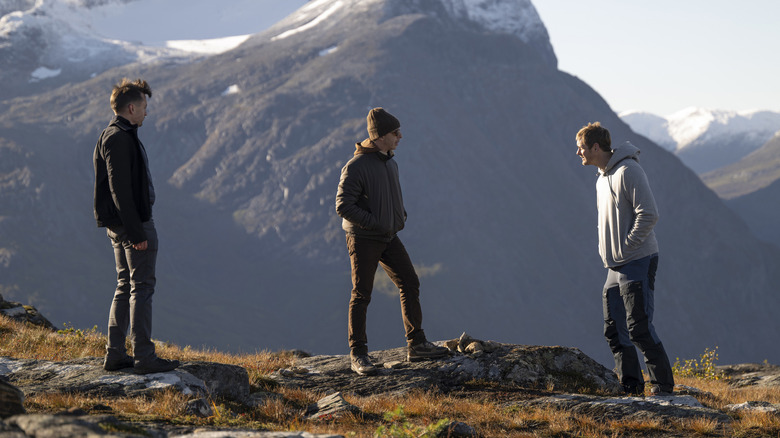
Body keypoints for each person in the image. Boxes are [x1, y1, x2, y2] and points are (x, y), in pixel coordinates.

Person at [335, 107, 449, 375]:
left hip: (388, 236)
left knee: (409, 282)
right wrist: (375, 223)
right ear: (378, 136)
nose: (400, 136)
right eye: (394, 132)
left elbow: (391, 199)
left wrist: (399, 217)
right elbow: (343, 205)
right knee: (361, 294)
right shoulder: (356, 166)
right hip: (363, 238)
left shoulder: (390, 162)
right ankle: (358, 355)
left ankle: (417, 345)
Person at [575, 122, 675, 396]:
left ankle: (663, 387)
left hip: (638, 260)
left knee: (639, 327)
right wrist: (610, 253)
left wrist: (626, 247)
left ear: (596, 147)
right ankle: (630, 387)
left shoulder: (629, 170)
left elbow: (649, 214)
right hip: (615, 266)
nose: (578, 153)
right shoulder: (600, 178)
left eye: (581, 147)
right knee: (614, 330)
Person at [93, 78, 179, 375]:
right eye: (144, 107)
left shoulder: (117, 134)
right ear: (131, 107)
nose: (146, 113)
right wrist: (136, 232)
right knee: (141, 287)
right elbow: (120, 190)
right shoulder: (118, 136)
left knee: (124, 286)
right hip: (134, 225)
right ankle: (144, 356)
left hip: (122, 225)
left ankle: (115, 354)